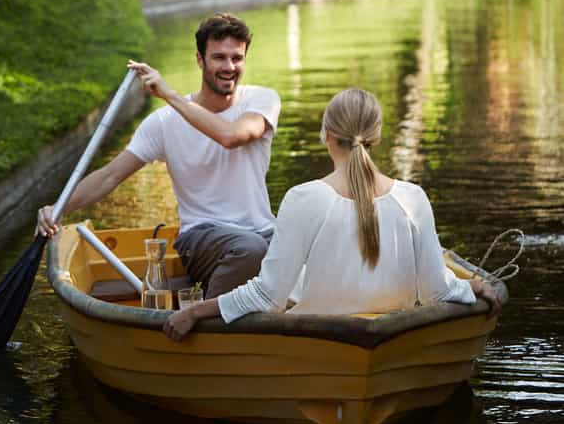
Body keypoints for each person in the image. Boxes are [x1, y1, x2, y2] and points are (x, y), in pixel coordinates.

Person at [163, 88, 501, 341]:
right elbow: (437, 292)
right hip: (395, 338)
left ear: (327, 136)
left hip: (320, 342)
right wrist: (471, 286)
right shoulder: (413, 198)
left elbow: (268, 296)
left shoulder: (303, 198)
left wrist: (197, 310)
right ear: (377, 138)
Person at [36, 13, 282, 298]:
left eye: (236, 58)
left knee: (313, 240)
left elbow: (232, 136)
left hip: (263, 232)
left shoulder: (262, 100)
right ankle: (208, 319)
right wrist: (58, 208)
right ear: (200, 59)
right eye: (219, 58)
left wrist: (169, 95)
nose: (229, 67)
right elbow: (109, 176)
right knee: (250, 249)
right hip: (202, 236)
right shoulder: (163, 122)